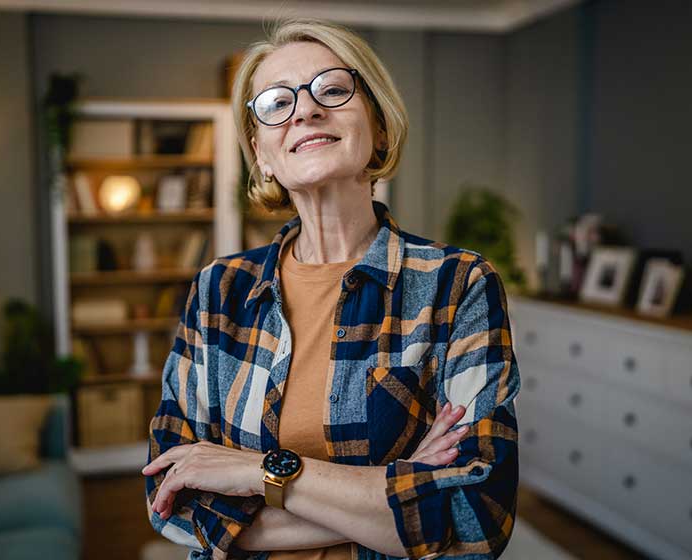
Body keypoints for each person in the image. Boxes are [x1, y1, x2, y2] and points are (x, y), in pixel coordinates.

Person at [142, 17, 520, 560]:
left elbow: (476, 515)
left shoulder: (458, 285)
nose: (305, 110)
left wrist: (256, 473)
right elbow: (170, 504)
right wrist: (396, 485)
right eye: (276, 102)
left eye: (333, 89)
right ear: (263, 153)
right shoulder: (217, 290)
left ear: (380, 126)